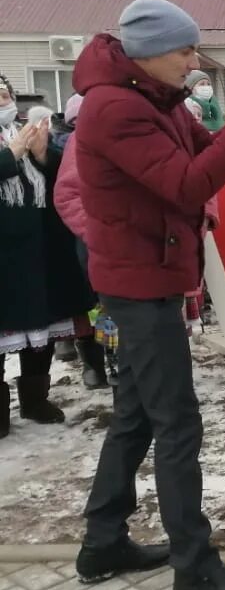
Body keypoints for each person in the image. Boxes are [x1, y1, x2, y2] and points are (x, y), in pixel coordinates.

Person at [74, 0, 225, 590]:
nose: (195, 60)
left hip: (153, 274)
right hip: (139, 283)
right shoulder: (114, 109)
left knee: (137, 417)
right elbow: (187, 183)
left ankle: (102, 541)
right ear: (148, 52)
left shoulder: (155, 98)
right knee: (177, 424)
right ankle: (195, 567)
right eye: (185, 50)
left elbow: (203, 154)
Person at [1, 77, 96, 435]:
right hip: (3, 257)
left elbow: (61, 175)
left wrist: (42, 154)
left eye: (6, 95)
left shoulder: (22, 132)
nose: (3, 101)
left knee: (40, 327)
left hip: (38, 251)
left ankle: (36, 400)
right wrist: (12, 156)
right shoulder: (12, 143)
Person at [51, 93, 111, 390]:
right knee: (97, 304)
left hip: (132, 240)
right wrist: (94, 232)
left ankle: (117, 360)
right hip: (96, 240)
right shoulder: (81, 142)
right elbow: (68, 194)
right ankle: (98, 362)